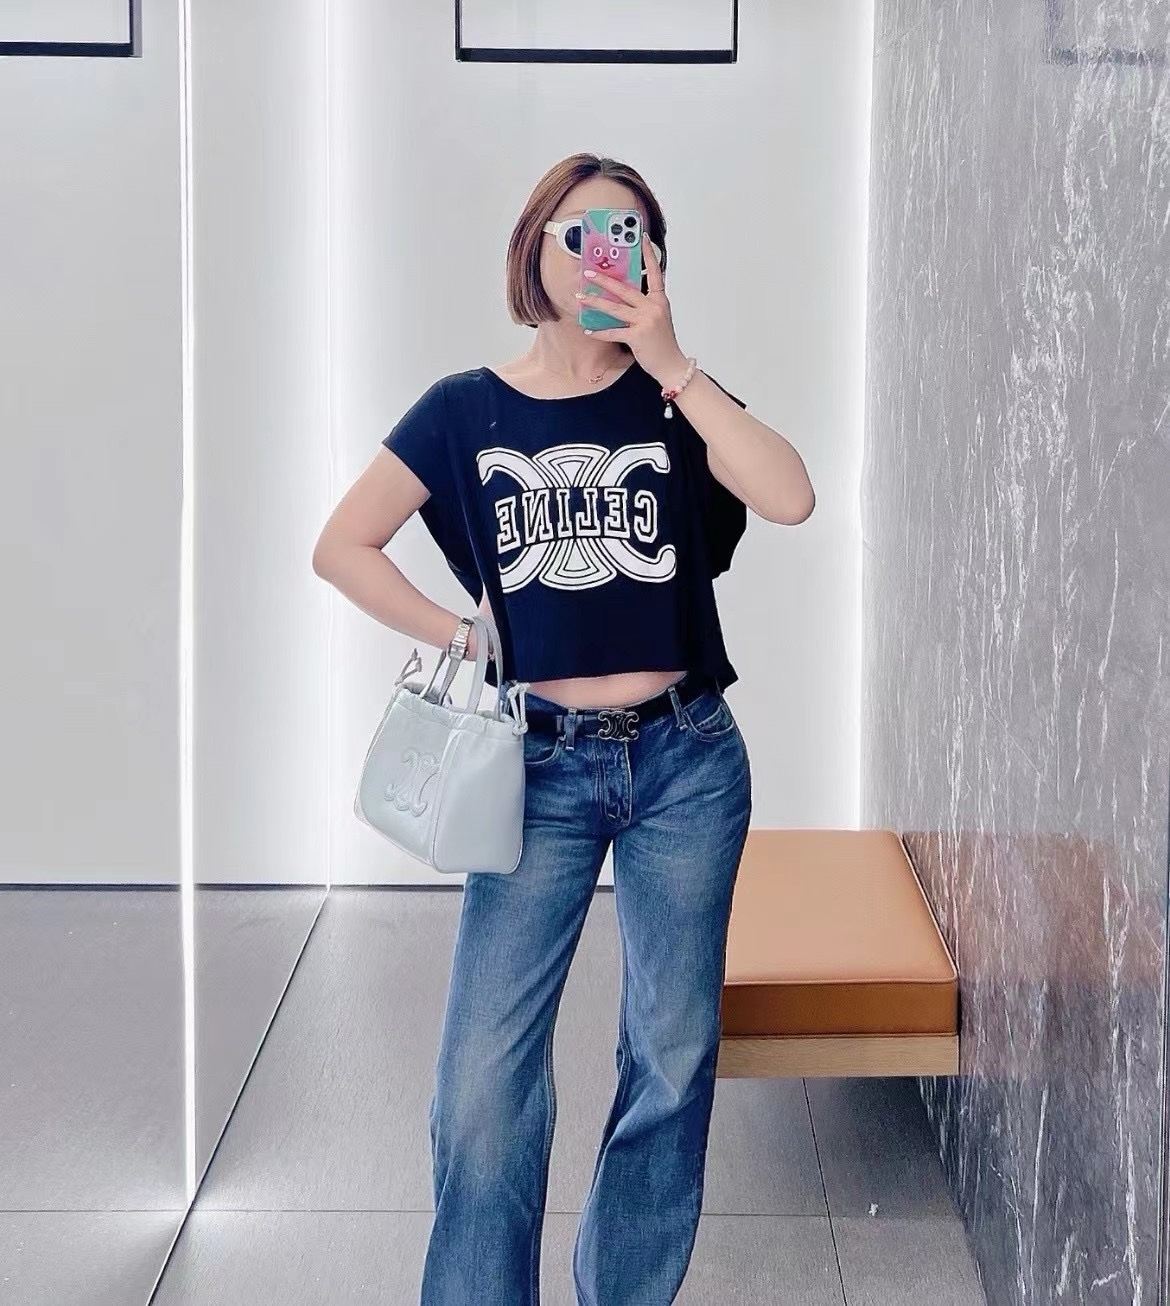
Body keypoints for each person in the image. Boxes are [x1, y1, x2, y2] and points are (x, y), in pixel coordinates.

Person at [312, 152, 814, 1305]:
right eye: (580, 233)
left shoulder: (676, 399)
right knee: (481, 1086)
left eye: (627, 236)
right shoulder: (462, 408)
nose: (603, 255)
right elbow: (342, 543)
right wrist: (459, 630)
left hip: (687, 763)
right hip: (534, 767)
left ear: (654, 263)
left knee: (671, 1057)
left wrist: (674, 363)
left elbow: (790, 494)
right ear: (532, 250)